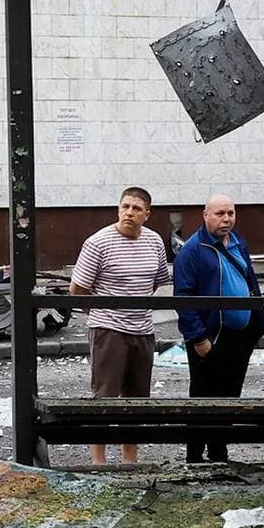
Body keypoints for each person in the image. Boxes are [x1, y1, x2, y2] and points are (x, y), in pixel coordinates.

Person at [71, 186, 172, 466]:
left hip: (142, 329)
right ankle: (98, 463)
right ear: (118, 209)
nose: (129, 213)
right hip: (108, 327)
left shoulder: (154, 243)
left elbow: (157, 281)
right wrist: (98, 313)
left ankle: (130, 461)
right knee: (105, 396)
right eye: (125, 206)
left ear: (147, 215)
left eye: (136, 208)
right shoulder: (98, 243)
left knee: (137, 399)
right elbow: (78, 289)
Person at [173, 194, 264, 463]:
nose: (226, 219)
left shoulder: (238, 243)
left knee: (230, 397)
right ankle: (195, 456)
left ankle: (219, 453)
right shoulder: (192, 250)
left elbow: (250, 281)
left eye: (231, 213)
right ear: (205, 215)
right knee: (203, 398)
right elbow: (183, 297)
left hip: (240, 337)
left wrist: (256, 325)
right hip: (210, 338)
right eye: (220, 214)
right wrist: (198, 337)